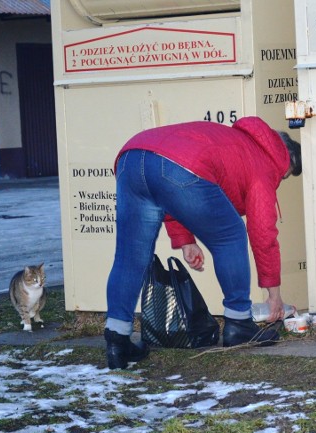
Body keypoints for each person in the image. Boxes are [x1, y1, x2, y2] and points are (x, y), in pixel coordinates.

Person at [103, 117, 302, 370]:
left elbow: (172, 180)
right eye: (285, 178)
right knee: (232, 236)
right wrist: (274, 295)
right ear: (287, 161)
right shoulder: (264, 163)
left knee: (129, 257)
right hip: (173, 163)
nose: (280, 181)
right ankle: (239, 323)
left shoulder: (235, 142)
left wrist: (185, 239)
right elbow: (263, 234)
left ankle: (117, 339)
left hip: (131, 157)